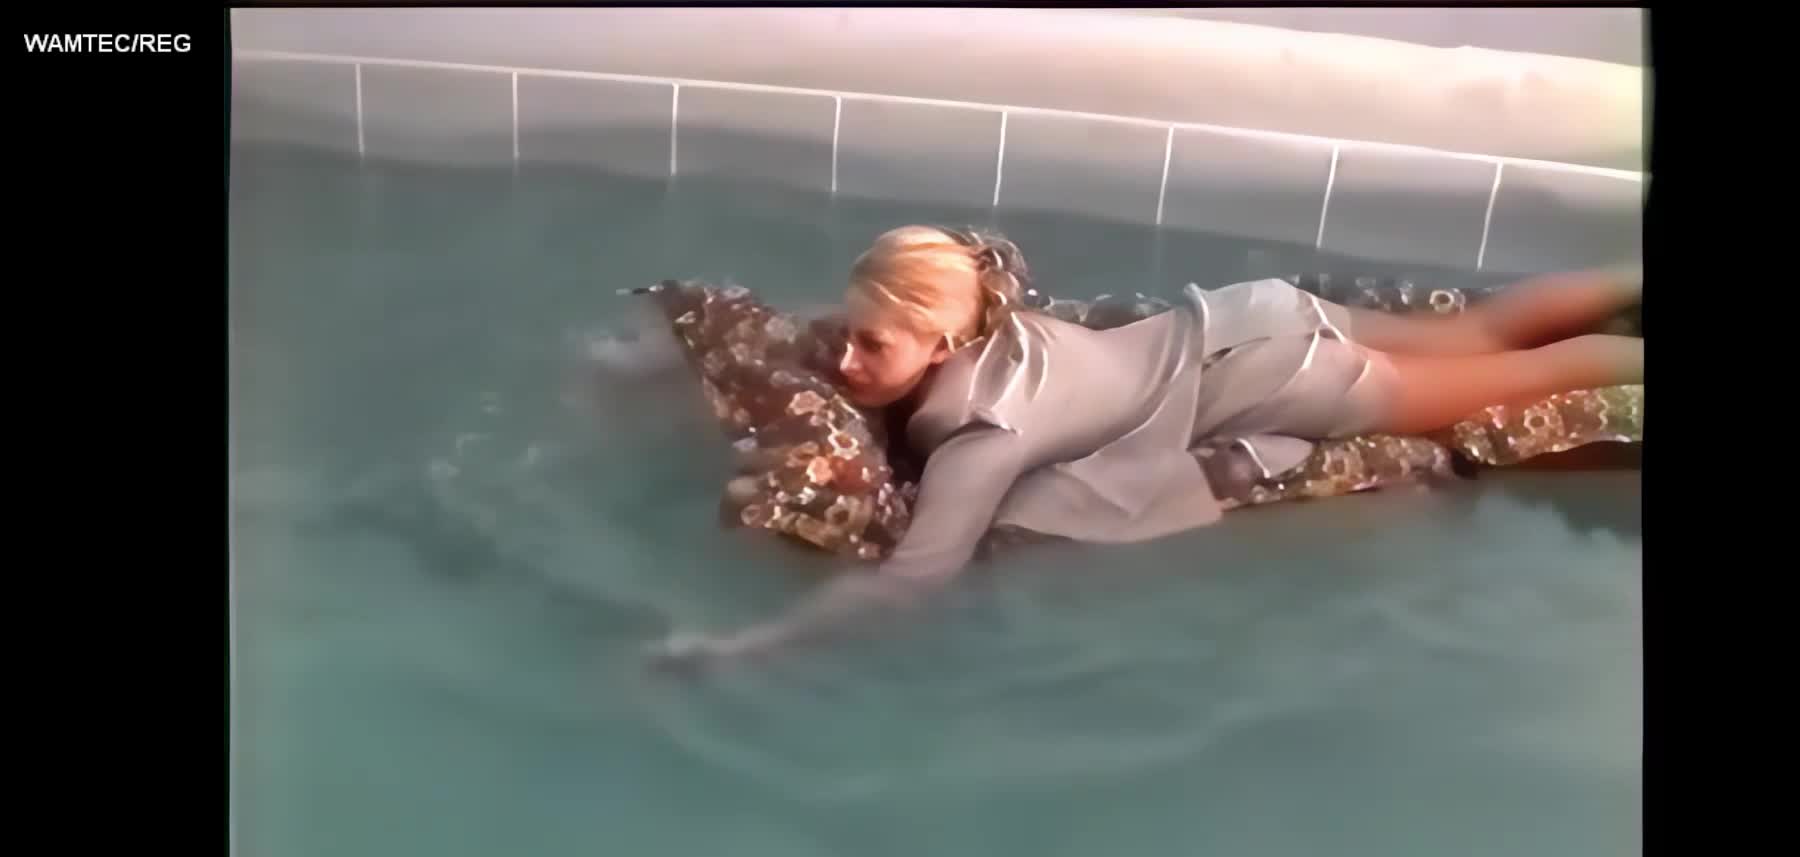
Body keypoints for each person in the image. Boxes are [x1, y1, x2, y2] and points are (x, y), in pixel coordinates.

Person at [651, 225, 1642, 667]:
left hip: (1287, 375)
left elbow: (914, 580)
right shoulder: (985, 307)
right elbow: (848, 319)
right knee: (1478, 333)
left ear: (944, 346)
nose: (846, 358)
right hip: (1247, 316)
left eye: (873, 344)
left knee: (1532, 372)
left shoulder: (980, 436)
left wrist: (752, 648)